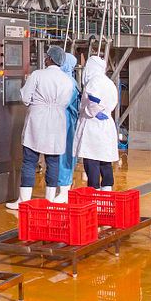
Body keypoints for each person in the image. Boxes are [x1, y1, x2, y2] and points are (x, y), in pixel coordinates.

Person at [7, 46, 76, 210]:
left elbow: (25, 97)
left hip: (37, 119)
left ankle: (24, 201)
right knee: (53, 161)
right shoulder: (67, 80)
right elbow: (66, 102)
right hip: (57, 121)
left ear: (50, 59)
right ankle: (49, 201)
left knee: (29, 161)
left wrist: (37, 102)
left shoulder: (38, 75)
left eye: (47, 56)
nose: (45, 59)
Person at [72, 55, 120, 190]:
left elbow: (93, 100)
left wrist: (92, 112)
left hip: (93, 124)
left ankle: (94, 190)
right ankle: (107, 190)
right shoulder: (109, 82)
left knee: (91, 159)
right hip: (106, 123)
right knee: (105, 159)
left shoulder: (94, 82)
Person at [55, 52, 81, 201]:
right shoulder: (67, 80)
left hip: (66, 121)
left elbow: (63, 102)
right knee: (59, 154)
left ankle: (64, 189)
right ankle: (60, 188)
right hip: (61, 120)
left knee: (65, 154)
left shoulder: (69, 82)